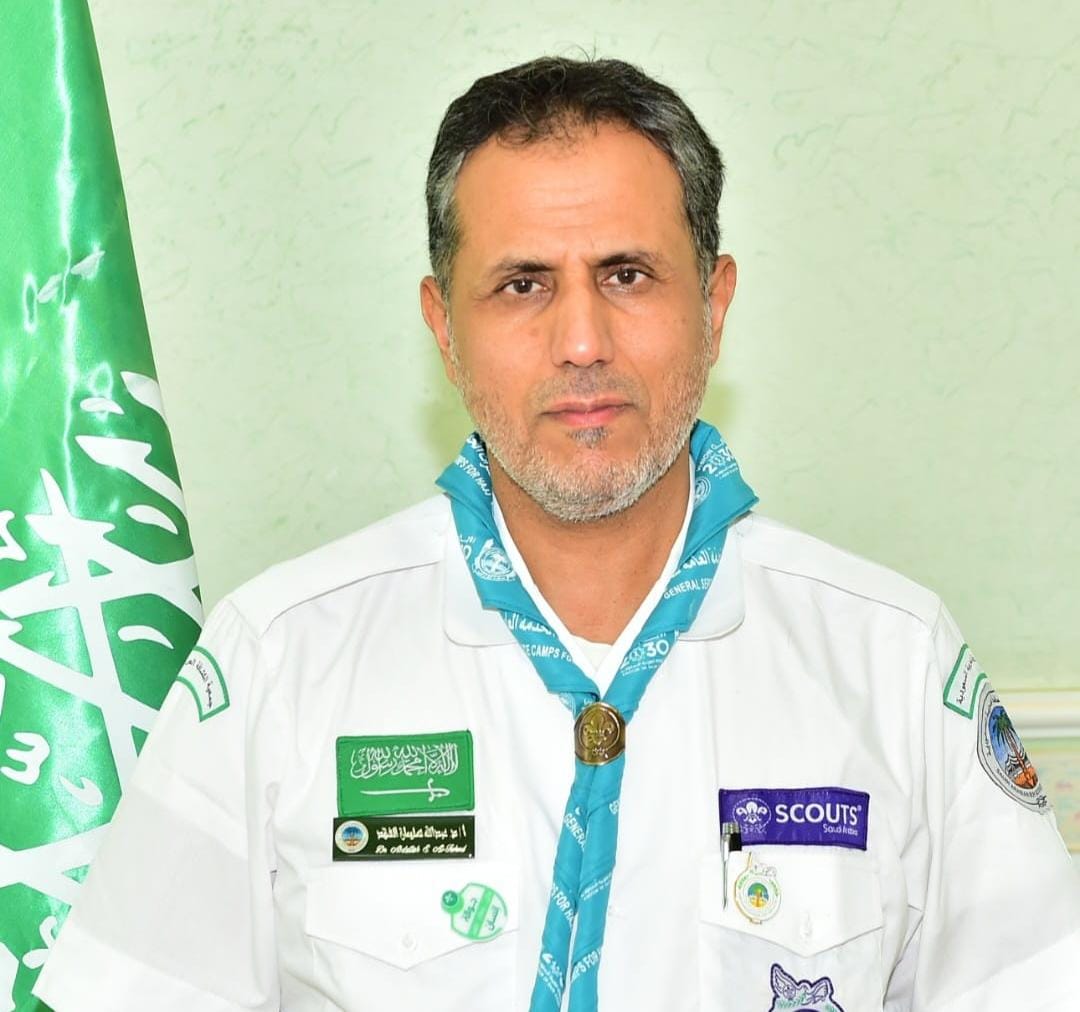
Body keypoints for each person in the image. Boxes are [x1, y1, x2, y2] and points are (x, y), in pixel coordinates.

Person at [34, 55, 1079, 1012]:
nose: (582, 341)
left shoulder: (894, 662)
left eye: (628, 274)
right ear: (444, 328)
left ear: (715, 305)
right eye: (523, 285)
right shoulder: (279, 661)